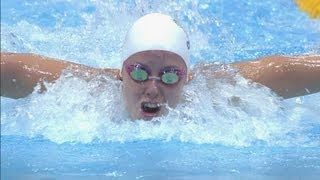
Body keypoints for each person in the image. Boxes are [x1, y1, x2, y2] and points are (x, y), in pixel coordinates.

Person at [1, 13, 320, 120]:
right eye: (139, 72)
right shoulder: (84, 88)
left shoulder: (218, 91)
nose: (152, 88)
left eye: (170, 75)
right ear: (121, 72)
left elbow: (287, 69)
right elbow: (13, 70)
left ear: (187, 76)